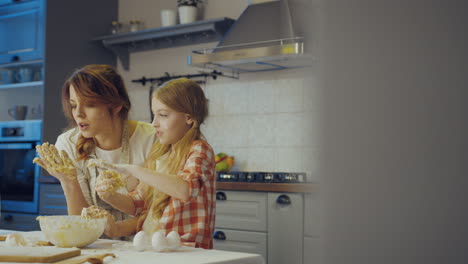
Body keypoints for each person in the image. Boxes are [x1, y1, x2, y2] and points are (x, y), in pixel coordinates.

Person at [91, 77, 216, 249]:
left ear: (189, 117)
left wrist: (134, 170)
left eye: (163, 115)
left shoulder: (199, 150)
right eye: (154, 114)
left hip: (186, 250)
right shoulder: (160, 154)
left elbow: (185, 189)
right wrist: (108, 195)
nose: (154, 123)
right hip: (153, 247)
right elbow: (138, 203)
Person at [34, 64, 156, 224]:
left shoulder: (151, 139)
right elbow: (80, 224)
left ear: (116, 105)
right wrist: (69, 182)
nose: (78, 113)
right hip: (94, 246)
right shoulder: (67, 144)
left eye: (89, 105)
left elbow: (157, 212)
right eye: (73, 105)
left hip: (144, 244)